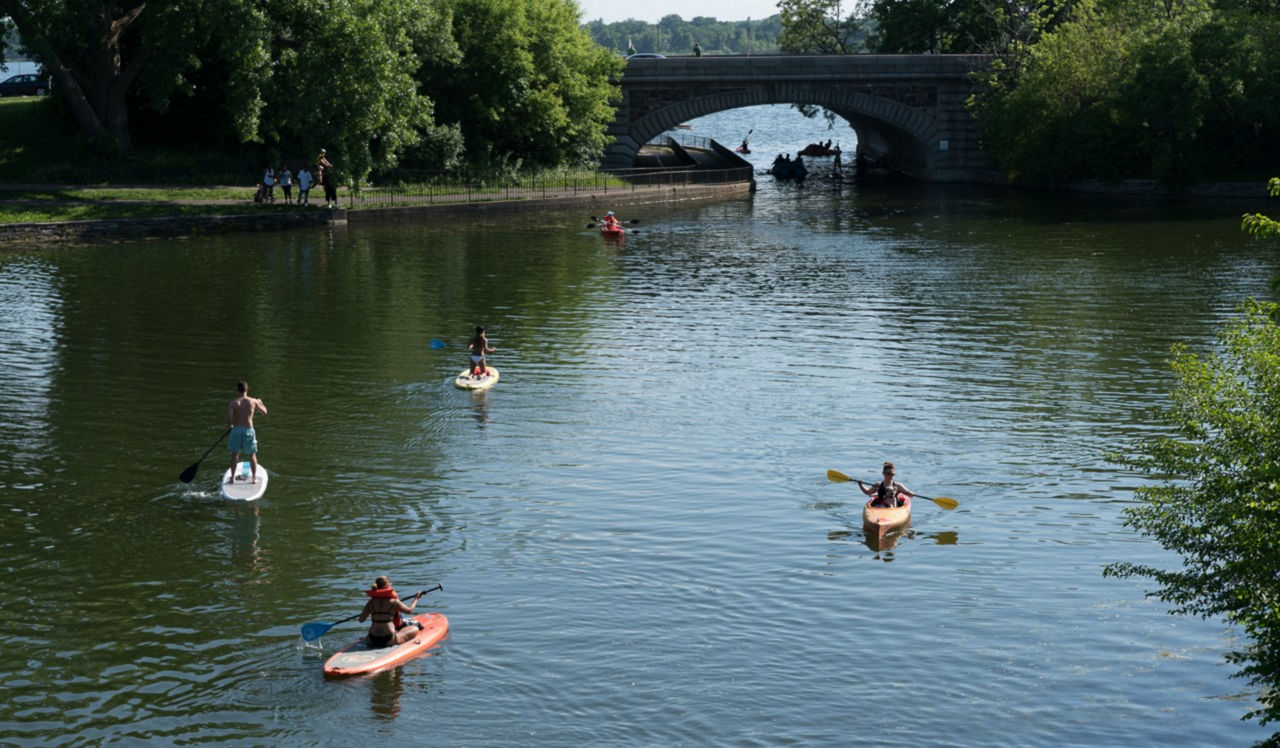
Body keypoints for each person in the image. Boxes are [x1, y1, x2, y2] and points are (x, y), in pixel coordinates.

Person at [359, 576, 424, 648]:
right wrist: (416, 599)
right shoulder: (393, 602)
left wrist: (370, 613)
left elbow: (361, 620)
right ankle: (397, 635)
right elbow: (409, 610)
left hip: (373, 638)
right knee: (415, 628)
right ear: (387, 586)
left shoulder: (370, 602)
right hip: (389, 639)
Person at [226, 380, 268, 485]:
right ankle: (253, 479)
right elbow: (264, 412)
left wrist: (230, 426)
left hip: (236, 430)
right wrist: (261, 402)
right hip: (248, 430)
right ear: (247, 390)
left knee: (234, 455)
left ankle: (232, 479)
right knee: (252, 455)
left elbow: (229, 417)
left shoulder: (233, 403)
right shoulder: (253, 401)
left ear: (237, 390)